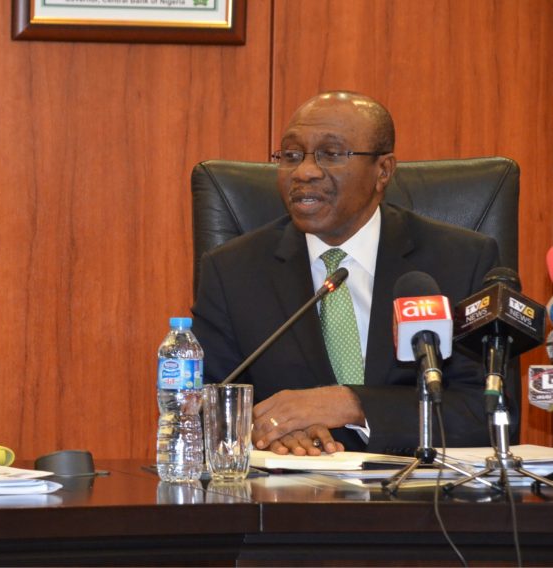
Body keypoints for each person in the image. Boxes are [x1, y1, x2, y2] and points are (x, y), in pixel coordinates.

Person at [191, 91, 504, 456]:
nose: (305, 171)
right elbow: (201, 408)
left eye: (331, 154)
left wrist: (353, 404)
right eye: (291, 156)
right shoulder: (234, 271)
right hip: (289, 504)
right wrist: (264, 434)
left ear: (383, 171)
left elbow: (488, 412)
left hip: (420, 500)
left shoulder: (459, 261)